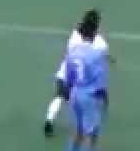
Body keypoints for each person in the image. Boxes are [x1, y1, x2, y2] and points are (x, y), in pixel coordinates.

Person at [44, 10, 110, 138]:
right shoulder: (101, 45)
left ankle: (49, 120)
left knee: (59, 97)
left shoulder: (74, 36)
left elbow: (80, 28)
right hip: (82, 80)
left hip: (66, 73)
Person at [62, 11, 111, 151]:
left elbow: (69, 76)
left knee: (78, 131)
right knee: (92, 132)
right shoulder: (96, 54)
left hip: (75, 94)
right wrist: (104, 98)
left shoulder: (73, 51)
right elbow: (100, 81)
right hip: (88, 96)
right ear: (94, 34)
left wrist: (68, 92)